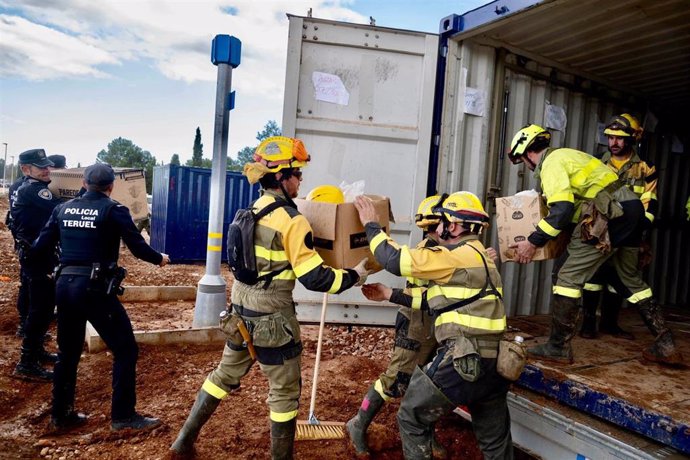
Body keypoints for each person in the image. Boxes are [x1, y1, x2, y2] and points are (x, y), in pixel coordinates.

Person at [170, 136, 368, 460]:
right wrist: (355, 274)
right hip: (274, 319)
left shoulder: (251, 210)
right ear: (281, 177)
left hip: (241, 309)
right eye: (298, 173)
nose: (301, 180)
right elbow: (316, 278)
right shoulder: (292, 221)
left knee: (223, 375)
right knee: (285, 393)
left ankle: (183, 441)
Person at [354, 192, 512, 460]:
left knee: (411, 416)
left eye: (444, 221)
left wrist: (372, 225)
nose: (439, 227)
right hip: (496, 365)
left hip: (463, 361)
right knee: (495, 444)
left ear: (454, 225)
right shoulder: (484, 260)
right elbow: (436, 300)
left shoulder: (454, 256)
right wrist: (388, 294)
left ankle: (358, 425)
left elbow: (394, 260)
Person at [506, 124, 681, 366]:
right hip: (630, 211)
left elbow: (562, 210)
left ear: (526, 151)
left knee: (566, 276)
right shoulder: (569, 155)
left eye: (522, 159)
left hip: (608, 215)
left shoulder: (552, 163)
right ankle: (665, 342)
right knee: (629, 278)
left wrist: (532, 243)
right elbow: (577, 205)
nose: (526, 165)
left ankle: (557, 346)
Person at [30, 163, 170, 431]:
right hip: (94, 290)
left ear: (83, 183)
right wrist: (160, 260)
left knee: (67, 353)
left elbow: (40, 246)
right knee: (125, 349)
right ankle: (123, 417)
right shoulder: (113, 210)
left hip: (64, 287)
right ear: (111, 186)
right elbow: (138, 247)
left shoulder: (62, 208)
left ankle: (61, 415)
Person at [346, 194, 444, 457]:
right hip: (416, 325)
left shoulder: (446, 252)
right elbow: (420, 297)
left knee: (429, 383)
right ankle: (358, 423)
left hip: (435, 326)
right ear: (440, 224)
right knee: (395, 380)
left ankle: (426, 434)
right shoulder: (428, 254)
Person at [580, 114, 657, 341]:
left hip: (630, 233)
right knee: (593, 277)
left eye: (620, 138)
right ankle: (588, 324)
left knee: (621, 278)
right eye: (611, 137)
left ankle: (610, 324)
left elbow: (650, 202)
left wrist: (640, 232)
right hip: (600, 230)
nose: (614, 143)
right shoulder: (597, 164)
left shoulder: (645, 168)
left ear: (632, 139)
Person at [11, 149, 62, 382]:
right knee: (40, 309)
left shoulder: (26, 188)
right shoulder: (34, 190)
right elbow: (60, 210)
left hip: (35, 254)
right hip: (37, 257)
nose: (46, 169)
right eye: (40, 167)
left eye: (47, 166)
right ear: (26, 169)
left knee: (40, 307)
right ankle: (27, 362)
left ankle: (36, 351)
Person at [6, 164, 30, 338]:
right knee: (33, 286)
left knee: (27, 283)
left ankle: (25, 322)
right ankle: (26, 325)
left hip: (22, 240)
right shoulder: (33, 189)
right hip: (34, 243)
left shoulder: (16, 185)